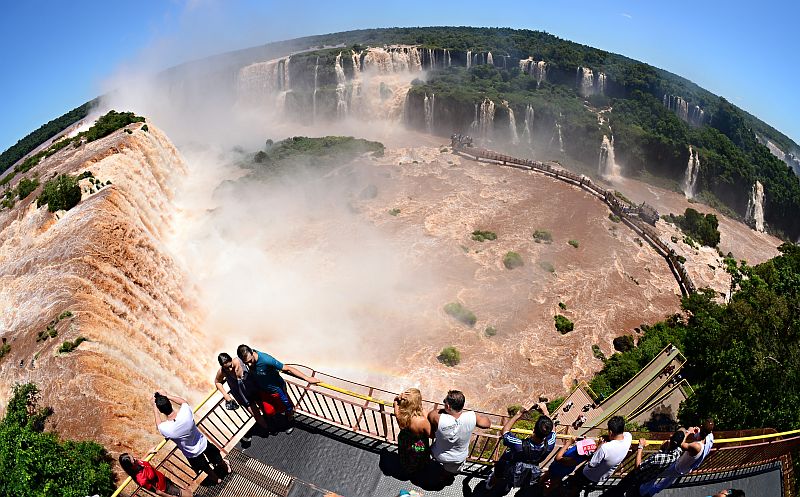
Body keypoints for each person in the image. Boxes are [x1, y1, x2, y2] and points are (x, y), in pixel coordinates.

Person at [236, 344, 321, 433]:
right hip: (264, 391)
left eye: (250, 361)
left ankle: (290, 422)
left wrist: (307, 378)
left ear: (252, 353)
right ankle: (278, 422)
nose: (249, 364)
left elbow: (288, 368)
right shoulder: (245, 357)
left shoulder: (266, 360)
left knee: (287, 408)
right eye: (246, 363)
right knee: (269, 412)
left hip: (277, 390)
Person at [153, 391, 229, 485]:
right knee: (217, 458)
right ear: (170, 403)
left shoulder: (166, 429)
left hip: (191, 453)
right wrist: (167, 396)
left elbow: (158, 425)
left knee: (206, 468)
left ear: (161, 411)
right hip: (203, 443)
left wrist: (155, 408)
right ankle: (227, 469)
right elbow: (183, 402)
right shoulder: (185, 413)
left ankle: (216, 479)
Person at [485, 402, 556, 494]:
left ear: (533, 430)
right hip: (526, 469)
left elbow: (505, 432)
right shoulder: (550, 444)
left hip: (508, 464)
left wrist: (520, 413)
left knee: (498, 474)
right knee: (515, 476)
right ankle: (508, 486)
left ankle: (490, 485)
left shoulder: (519, 444)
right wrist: (546, 413)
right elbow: (553, 431)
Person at [638, 420, 714, 497]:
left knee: (656, 473)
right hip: (686, 468)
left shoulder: (696, 447)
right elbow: (699, 438)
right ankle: (651, 492)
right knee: (668, 481)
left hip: (677, 467)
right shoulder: (710, 438)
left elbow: (680, 444)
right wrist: (697, 432)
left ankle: (642, 491)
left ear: (701, 427)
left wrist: (688, 432)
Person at [427, 390, 491, 477]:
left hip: (438, 455)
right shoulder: (471, 417)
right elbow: (487, 423)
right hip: (458, 458)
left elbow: (432, 414)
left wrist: (444, 410)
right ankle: (445, 478)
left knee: (433, 469)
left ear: (448, 406)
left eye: (444, 402)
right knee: (449, 474)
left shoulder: (437, 418)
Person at [601, 430, 684, 497]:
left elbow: (638, 467)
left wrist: (640, 447)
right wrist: (663, 448)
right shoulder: (677, 453)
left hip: (636, 477)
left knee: (620, 489)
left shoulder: (657, 458)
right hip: (647, 479)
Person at [567, 415, 632, 494]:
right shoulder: (628, 438)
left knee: (575, 485)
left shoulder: (605, 448)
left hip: (588, 474)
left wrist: (599, 446)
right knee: (584, 486)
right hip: (602, 477)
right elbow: (624, 435)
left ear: (610, 432)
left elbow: (592, 464)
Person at [214, 352, 268, 440]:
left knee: (264, 407)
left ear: (231, 360)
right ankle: (267, 429)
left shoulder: (240, 360)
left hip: (254, 389)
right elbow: (217, 382)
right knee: (255, 414)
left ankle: (272, 424)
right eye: (226, 368)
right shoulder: (222, 371)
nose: (230, 369)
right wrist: (225, 395)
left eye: (230, 365)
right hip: (243, 396)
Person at [393, 388, 432, 475]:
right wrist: (425, 413)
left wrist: (396, 400)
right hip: (418, 444)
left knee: (406, 455)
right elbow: (431, 435)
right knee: (418, 458)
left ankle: (408, 469)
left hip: (404, 440)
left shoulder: (400, 415)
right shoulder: (422, 421)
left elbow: (396, 409)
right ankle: (418, 470)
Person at [119, 452, 192, 497]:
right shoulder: (141, 479)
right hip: (166, 489)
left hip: (166, 481)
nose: (136, 459)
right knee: (190, 495)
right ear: (130, 467)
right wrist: (169, 496)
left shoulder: (137, 463)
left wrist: (148, 452)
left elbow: (142, 461)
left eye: (133, 457)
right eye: (133, 460)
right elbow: (157, 491)